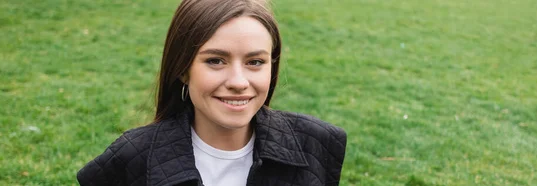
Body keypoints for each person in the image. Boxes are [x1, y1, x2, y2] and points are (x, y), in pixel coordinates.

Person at [76, 0, 347, 185]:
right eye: (215, 60)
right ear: (183, 68)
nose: (239, 82)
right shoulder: (130, 159)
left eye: (255, 62)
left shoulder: (316, 143)